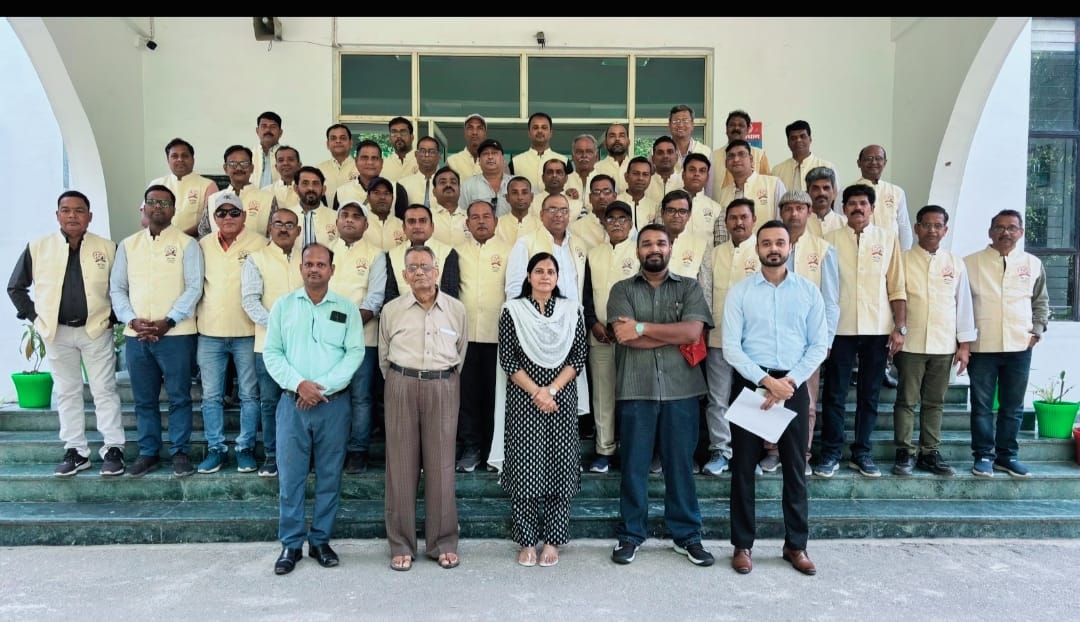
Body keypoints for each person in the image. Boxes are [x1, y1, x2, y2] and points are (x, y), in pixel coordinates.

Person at [722, 220, 827, 576]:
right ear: (757, 249)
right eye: (766, 243)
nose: (773, 248)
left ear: (790, 247)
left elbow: (819, 345)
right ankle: (742, 545)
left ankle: (796, 545)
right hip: (752, 384)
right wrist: (767, 381)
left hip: (793, 385)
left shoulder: (808, 292)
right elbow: (731, 348)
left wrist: (788, 382)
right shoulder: (740, 293)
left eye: (779, 242)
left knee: (795, 468)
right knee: (743, 469)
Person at [608, 224, 715, 568]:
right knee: (634, 467)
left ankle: (687, 536)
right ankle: (631, 535)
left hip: (681, 390)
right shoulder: (621, 290)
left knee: (680, 467)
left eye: (660, 243)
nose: (654, 248)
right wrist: (671, 334)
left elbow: (693, 332)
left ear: (671, 248)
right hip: (635, 389)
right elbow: (623, 336)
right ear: (637, 250)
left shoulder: (690, 287)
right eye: (647, 244)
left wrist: (642, 327)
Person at [7, 190, 125, 476]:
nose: (73, 215)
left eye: (79, 210)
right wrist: (37, 319)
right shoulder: (38, 247)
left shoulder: (107, 248)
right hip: (56, 332)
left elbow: (122, 288)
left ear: (89, 216)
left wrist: (111, 318)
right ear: (57, 214)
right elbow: (15, 288)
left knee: (104, 390)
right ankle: (76, 451)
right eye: (66, 210)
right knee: (67, 392)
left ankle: (113, 449)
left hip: (95, 330)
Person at [264, 243, 365, 575]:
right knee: (291, 478)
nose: (314, 269)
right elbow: (272, 353)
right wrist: (299, 385)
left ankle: (321, 540)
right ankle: (291, 544)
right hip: (292, 405)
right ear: (301, 268)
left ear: (332, 270)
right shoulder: (283, 307)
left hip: (332, 406)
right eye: (309, 264)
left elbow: (354, 353)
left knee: (329, 476)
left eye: (321, 264)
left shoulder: (347, 309)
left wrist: (320, 388)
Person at [379, 245, 468, 572]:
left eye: (425, 267)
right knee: (400, 467)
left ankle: (442, 543)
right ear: (404, 275)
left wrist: (440, 380)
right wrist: (402, 381)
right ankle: (401, 544)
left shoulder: (456, 309)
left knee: (441, 466)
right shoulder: (391, 310)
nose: (420, 272)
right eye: (413, 268)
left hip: (443, 385)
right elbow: (384, 355)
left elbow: (461, 351)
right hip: (401, 383)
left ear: (437, 271)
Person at [498, 252, 588, 567]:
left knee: (560, 465)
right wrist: (537, 391)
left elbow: (578, 356)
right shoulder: (513, 310)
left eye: (551, 271)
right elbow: (508, 359)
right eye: (539, 271)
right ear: (528, 276)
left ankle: (552, 540)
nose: (545, 276)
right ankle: (526, 541)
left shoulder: (571, 310)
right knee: (525, 466)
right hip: (524, 399)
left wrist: (551, 390)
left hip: (560, 398)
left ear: (558, 277)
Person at [110, 185, 204, 478]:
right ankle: (148, 452)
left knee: (179, 397)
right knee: (144, 399)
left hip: (176, 335)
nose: (158, 207)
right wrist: (131, 320)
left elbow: (194, 287)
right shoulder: (128, 245)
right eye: (152, 202)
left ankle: (179, 452)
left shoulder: (187, 244)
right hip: (137, 336)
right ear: (144, 207)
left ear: (174, 210)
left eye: (164, 203)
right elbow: (117, 288)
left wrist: (169, 321)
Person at [816, 184, 907, 478]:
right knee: (835, 394)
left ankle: (862, 452)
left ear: (872, 208)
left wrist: (899, 327)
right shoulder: (829, 240)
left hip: (877, 327)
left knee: (869, 394)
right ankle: (831, 453)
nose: (857, 208)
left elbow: (897, 286)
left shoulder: (887, 239)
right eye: (852, 203)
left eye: (863, 203)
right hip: (840, 328)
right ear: (843, 208)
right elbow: (823, 287)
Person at [964, 209, 1049, 478]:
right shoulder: (969, 264)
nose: (1006, 232)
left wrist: (1036, 331)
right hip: (982, 346)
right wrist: (962, 341)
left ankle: (1007, 456)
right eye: (1000, 227)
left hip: (1019, 345)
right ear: (990, 232)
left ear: (1021, 232)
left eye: (1012, 227)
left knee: (1012, 406)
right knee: (981, 406)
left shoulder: (1032, 263)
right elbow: (961, 306)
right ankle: (983, 456)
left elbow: (1041, 302)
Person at [760, 190, 840, 475]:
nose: (794, 214)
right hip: (769, 340)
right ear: (781, 212)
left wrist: (826, 340)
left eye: (800, 208)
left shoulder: (823, 249)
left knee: (806, 402)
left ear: (809, 212)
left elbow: (831, 300)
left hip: (806, 343)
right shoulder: (767, 246)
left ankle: (801, 454)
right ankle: (772, 451)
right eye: (788, 208)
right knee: (770, 396)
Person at [893, 205, 976, 476]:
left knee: (934, 402)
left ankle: (929, 453)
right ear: (916, 228)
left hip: (943, 345)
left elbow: (963, 306)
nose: (932, 230)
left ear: (945, 230)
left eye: (937, 225)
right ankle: (905, 452)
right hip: (910, 344)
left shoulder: (955, 263)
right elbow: (894, 299)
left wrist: (964, 345)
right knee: (906, 400)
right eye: (926, 225)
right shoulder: (902, 260)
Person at [194, 193, 268, 474]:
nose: (227, 217)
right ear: (214, 218)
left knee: (249, 395)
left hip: (247, 331)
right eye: (222, 213)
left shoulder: (259, 243)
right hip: (209, 331)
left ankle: (245, 448)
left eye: (234, 212)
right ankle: (216, 449)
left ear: (244, 216)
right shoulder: (203, 245)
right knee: (211, 396)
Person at [698, 199, 761, 477]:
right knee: (717, 398)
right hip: (718, 339)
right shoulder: (713, 254)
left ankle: (750, 455)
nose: (738, 222)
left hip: (754, 343)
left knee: (752, 398)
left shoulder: (761, 252)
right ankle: (720, 451)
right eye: (733, 218)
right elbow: (705, 294)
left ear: (753, 220)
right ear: (726, 223)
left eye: (744, 217)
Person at [241, 208, 304, 478]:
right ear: (270, 228)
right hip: (268, 345)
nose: (283, 229)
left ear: (298, 231)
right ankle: (271, 455)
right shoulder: (256, 259)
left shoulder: (308, 258)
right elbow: (250, 301)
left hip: (304, 346)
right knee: (270, 402)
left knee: (302, 400)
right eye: (278, 223)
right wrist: (278, 327)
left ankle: (300, 454)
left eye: (290, 225)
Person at [328, 202, 387, 475]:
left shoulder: (376, 255)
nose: (349, 220)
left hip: (364, 339)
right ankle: (332, 448)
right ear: (337, 222)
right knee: (331, 394)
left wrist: (343, 327)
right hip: (327, 341)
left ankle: (358, 451)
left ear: (366, 224)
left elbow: (374, 299)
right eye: (345, 215)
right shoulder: (325, 250)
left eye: (356, 217)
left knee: (361, 397)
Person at [582, 201, 639, 473]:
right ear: (604, 223)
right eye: (611, 218)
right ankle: (604, 450)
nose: (617, 223)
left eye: (622, 218)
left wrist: (626, 327)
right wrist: (593, 323)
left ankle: (630, 449)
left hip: (632, 339)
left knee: (631, 395)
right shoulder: (594, 254)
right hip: (601, 337)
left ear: (630, 223)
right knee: (602, 395)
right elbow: (586, 294)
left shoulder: (638, 251)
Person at [455, 200, 511, 472]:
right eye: (475, 217)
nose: (480, 221)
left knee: (493, 396)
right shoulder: (457, 252)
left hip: (497, 336)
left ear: (495, 221)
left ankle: (493, 450)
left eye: (486, 216)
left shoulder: (510, 251)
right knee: (467, 396)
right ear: (467, 223)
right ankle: (471, 447)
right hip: (464, 337)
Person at [506, 193, 587, 301]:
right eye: (552, 210)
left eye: (564, 210)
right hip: (537, 311)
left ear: (569, 215)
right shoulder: (525, 243)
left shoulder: (579, 244)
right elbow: (515, 288)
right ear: (541, 214)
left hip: (574, 311)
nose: (559, 214)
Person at [383, 204, 460, 302]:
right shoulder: (392, 255)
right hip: (403, 310)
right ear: (404, 228)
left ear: (432, 227)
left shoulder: (447, 252)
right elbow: (390, 296)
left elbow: (449, 296)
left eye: (422, 221)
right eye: (411, 221)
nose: (417, 226)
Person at [201, 145, 276, 238]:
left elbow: (274, 235)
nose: (239, 168)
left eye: (244, 163)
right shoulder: (213, 199)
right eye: (233, 164)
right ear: (225, 168)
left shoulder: (268, 199)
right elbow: (204, 234)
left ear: (252, 168)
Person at [147, 137, 218, 237]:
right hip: (159, 239)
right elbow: (145, 218)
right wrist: (163, 236)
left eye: (185, 156)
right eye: (174, 156)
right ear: (168, 160)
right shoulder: (156, 183)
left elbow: (209, 220)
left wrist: (180, 237)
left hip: (195, 241)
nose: (180, 159)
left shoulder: (208, 185)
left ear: (193, 160)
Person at [714, 140, 787, 231]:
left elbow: (784, 221)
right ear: (726, 163)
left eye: (741, 154)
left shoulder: (773, 184)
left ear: (751, 159)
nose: (736, 159)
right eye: (731, 156)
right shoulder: (724, 193)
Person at [851, 145, 913, 250]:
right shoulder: (847, 191)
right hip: (859, 251)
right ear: (859, 163)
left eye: (878, 158)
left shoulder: (897, 192)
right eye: (868, 158)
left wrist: (903, 254)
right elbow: (841, 223)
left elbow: (904, 226)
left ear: (885, 163)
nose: (873, 162)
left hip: (890, 252)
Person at [333, 140, 410, 218]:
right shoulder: (342, 192)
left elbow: (403, 223)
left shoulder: (396, 189)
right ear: (356, 161)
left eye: (374, 158)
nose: (370, 162)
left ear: (382, 162)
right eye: (364, 158)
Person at [706, 109, 771, 197]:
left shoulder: (759, 155)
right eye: (732, 125)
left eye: (741, 125)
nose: (736, 128)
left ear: (748, 129)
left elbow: (766, 186)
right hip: (720, 203)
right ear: (726, 129)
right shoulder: (713, 156)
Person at [770, 120, 837, 192]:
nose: (798, 140)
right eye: (793, 138)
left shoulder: (827, 167)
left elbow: (835, 196)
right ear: (788, 142)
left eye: (803, 136)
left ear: (810, 139)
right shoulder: (777, 171)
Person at [510, 111, 567, 191]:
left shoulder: (564, 161)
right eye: (535, 127)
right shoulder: (515, 162)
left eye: (544, 127)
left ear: (551, 132)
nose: (540, 131)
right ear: (529, 133)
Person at [460, 139, 514, 217]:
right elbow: (462, 215)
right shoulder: (468, 185)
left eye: (494, 153)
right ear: (479, 161)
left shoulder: (517, 183)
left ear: (503, 159)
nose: (490, 157)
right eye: (485, 154)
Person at [288, 166, 338, 247]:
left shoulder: (336, 217)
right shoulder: (284, 217)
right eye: (305, 183)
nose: (311, 188)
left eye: (316, 184)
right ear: (296, 188)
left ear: (323, 190)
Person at [316, 123, 359, 201]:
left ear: (351, 143)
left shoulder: (361, 168)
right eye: (333, 138)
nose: (338, 141)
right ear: (327, 144)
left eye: (343, 138)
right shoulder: (319, 169)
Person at [617, 156, 660, 232]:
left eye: (645, 174)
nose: (640, 178)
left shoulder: (655, 207)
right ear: (626, 177)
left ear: (650, 179)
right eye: (636, 173)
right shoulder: (616, 202)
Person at [399, 135, 442, 210]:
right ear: (416, 155)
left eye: (431, 152)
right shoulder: (403, 184)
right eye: (423, 151)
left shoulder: (446, 185)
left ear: (438, 156)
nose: (427, 155)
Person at [430, 166, 470, 247]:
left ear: (459, 190)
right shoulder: (426, 217)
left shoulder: (471, 217)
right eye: (442, 182)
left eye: (453, 182)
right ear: (434, 191)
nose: (448, 185)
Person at [496, 176, 542, 245]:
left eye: (524, 192)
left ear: (532, 197)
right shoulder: (497, 225)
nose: (520, 197)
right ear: (507, 198)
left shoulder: (540, 225)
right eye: (515, 193)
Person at [668, 104, 710, 173]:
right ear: (669, 125)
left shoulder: (705, 151)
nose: (680, 125)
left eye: (685, 121)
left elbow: (710, 178)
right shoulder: (657, 152)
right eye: (676, 121)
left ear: (692, 125)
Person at [805, 166, 845, 238]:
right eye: (815, 188)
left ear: (834, 193)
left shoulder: (845, 224)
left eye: (826, 188)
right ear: (807, 193)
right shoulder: (800, 225)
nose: (821, 193)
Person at [643, 136, 684, 205]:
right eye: (660, 153)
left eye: (670, 152)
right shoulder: (644, 184)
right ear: (653, 159)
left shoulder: (684, 183)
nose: (665, 156)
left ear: (676, 157)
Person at [446, 113, 488, 180]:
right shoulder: (452, 161)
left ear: (485, 134)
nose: (474, 132)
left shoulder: (494, 161)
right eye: (470, 128)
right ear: (464, 133)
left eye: (479, 128)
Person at [252, 111, 284, 189]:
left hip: (280, 196)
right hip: (252, 196)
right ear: (257, 131)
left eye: (273, 127)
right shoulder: (248, 155)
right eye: (264, 126)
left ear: (280, 132)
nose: (268, 130)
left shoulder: (288, 156)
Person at [382, 116, 419, 182]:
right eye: (394, 133)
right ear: (390, 138)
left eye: (403, 132)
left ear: (412, 137)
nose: (399, 136)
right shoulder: (383, 165)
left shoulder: (422, 161)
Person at [566, 134, 601, 200]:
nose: (584, 155)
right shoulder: (564, 182)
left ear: (596, 156)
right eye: (579, 152)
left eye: (589, 152)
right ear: (573, 156)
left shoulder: (606, 182)